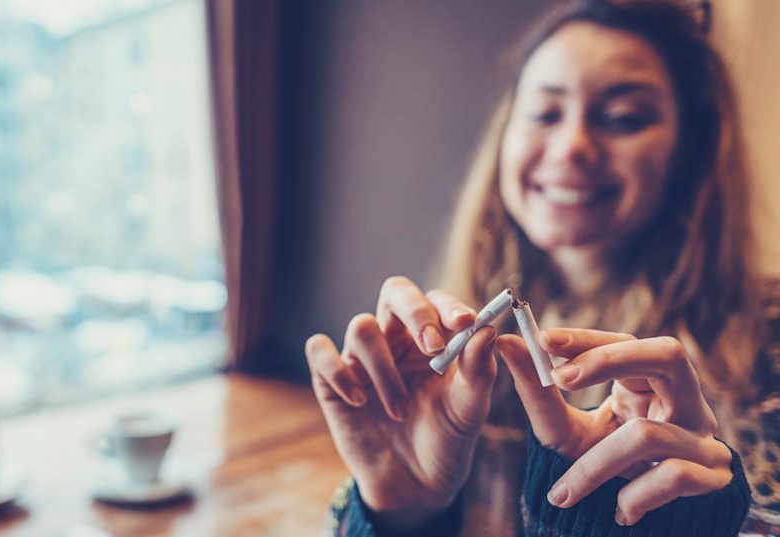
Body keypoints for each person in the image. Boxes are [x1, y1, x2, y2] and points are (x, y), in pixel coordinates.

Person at [304, 1, 780, 535]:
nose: (573, 146)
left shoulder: (770, 342)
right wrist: (400, 511)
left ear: (690, 150)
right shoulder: (455, 358)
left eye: (624, 118)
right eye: (545, 113)